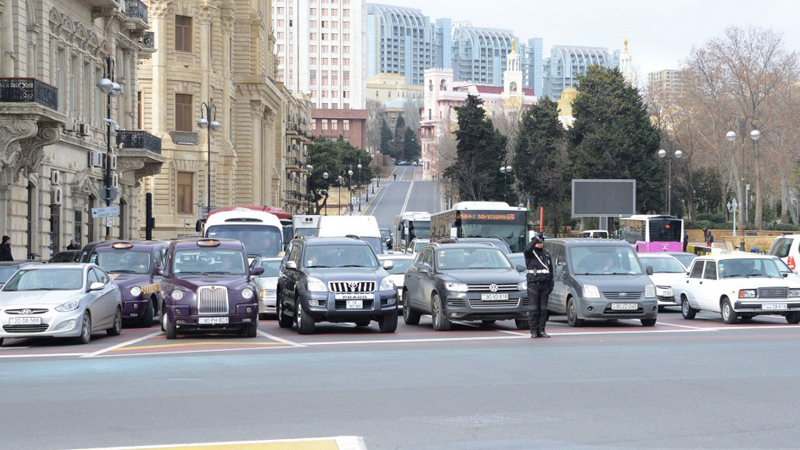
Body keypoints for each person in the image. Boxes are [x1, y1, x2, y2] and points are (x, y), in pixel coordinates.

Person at [523, 232, 554, 338]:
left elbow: (551, 271)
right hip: (533, 285)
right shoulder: (530, 253)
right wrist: (535, 239)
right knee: (533, 309)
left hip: (545, 285)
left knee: (543, 310)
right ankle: (534, 331)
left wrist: (551, 285)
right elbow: (527, 249)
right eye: (537, 242)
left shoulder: (546, 255)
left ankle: (541, 330)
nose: (539, 244)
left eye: (541, 242)